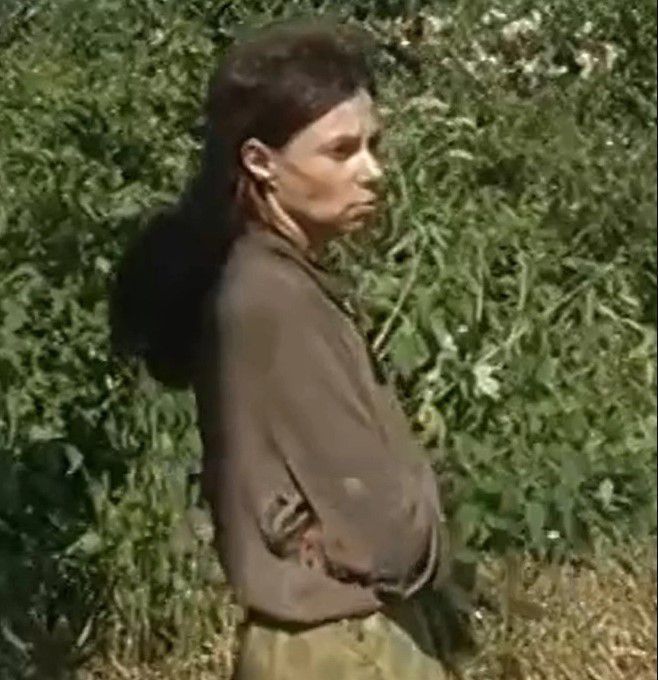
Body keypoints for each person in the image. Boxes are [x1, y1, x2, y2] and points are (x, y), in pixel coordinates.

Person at [110, 19, 470, 680]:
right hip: (340, 646)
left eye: (373, 145)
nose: (373, 172)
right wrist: (421, 536)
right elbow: (380, 527)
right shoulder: (272, 299)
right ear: (260, 162)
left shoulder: (277, 281)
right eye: (341, 151)